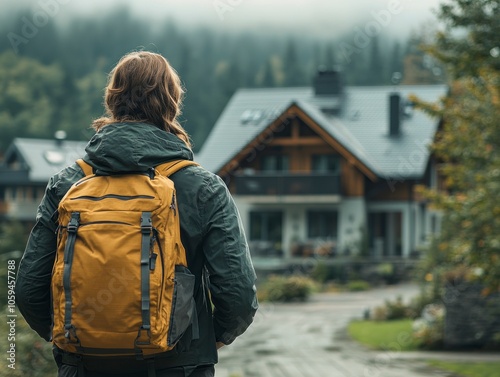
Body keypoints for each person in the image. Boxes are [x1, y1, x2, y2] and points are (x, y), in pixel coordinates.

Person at [15, 51, 259, 377]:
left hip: (84, 366)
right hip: (178, 367)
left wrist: (72, 336)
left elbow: (29, 290)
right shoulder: (204, 188)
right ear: (172, 103)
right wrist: (204, 342)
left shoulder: (66, 185)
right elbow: (238, 295)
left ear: (112, 100)